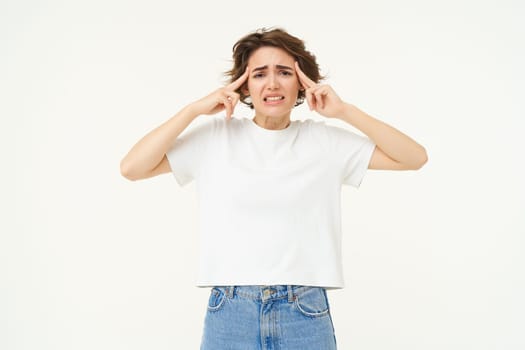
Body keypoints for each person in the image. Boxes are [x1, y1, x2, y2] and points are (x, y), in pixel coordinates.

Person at [120, 27, 427, 350]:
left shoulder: (324, 142)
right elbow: (132, 168)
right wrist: (192, 110)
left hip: (304, 309)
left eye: (284, 72)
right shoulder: (214, 138)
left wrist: (344, 111)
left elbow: (414, 157)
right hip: (231, 309)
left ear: (302, 82)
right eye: (259, 74)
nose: (272, 84)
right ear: (244, 86)